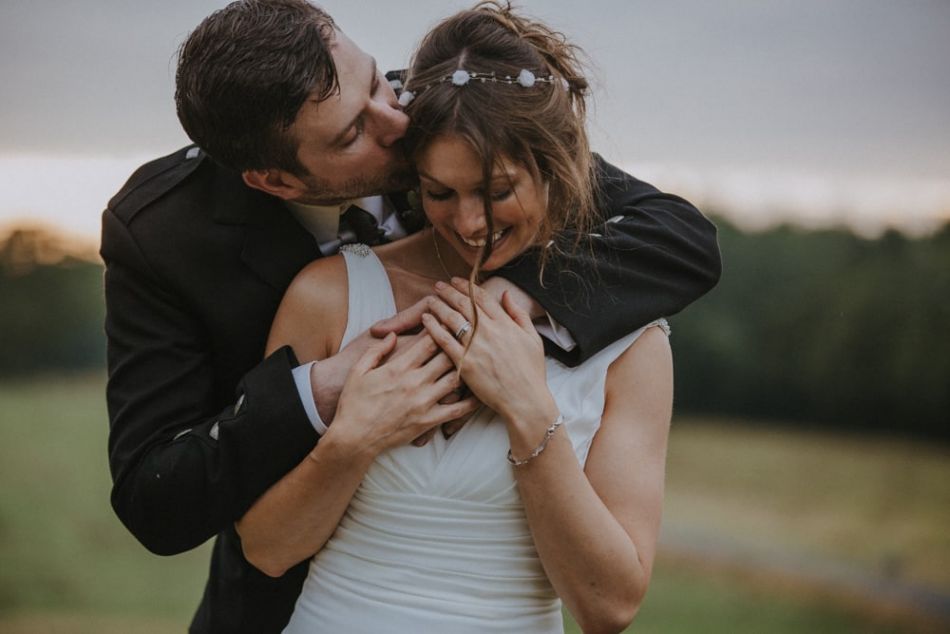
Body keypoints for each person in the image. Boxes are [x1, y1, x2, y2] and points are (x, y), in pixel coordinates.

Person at [100, 0, 719, 632]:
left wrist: (515, 303)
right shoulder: (163, 234)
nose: (397, 121)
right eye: (351, 135)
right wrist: (325, 392)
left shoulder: (443, 107)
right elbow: (158, 494)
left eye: (374, 81)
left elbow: (678, 235)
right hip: (285, 604)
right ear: (275, 181)